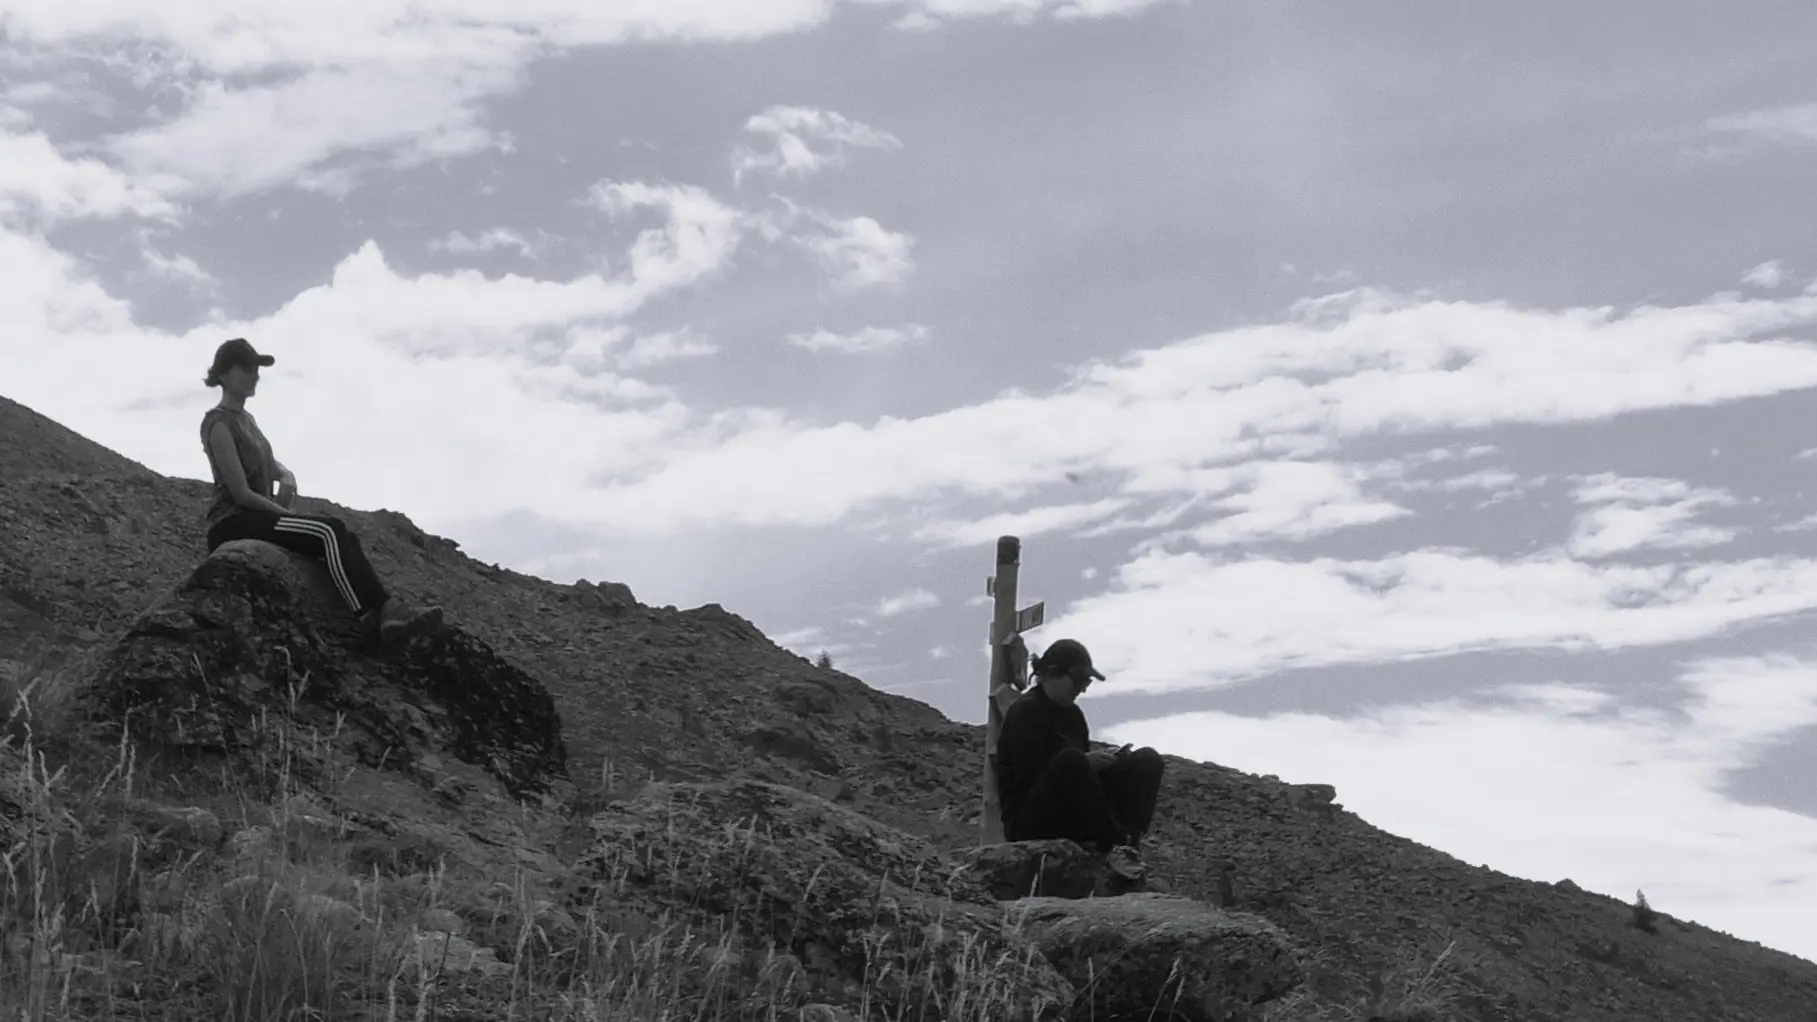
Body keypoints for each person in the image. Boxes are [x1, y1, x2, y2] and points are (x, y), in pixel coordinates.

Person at [198, 337, 442, 643]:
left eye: (256, 369)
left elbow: (268, 463)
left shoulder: (247, 421)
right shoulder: (218, 423)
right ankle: (366, 618)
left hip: (255, 517)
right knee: (329, 531)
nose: (255, 375)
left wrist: (286, 474)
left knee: (346, 537)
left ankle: (389, 610)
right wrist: (284, 513)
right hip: (233, 522)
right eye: (246, 368)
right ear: (223, 374)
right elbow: (240, 493)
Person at [994, 638, 1166, 878]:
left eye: (1087, 682)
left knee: (1147, 760)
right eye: (1078, 680)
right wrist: (1082, 764)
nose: (1082, 689)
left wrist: (1105, 763)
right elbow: (1028, 777)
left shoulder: (1074, 716)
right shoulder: (1026, 711)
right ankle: (1113, 843)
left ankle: (1128, 843)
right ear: (1052, 672)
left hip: (1071, 810)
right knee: (1072, 760)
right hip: (1030, 819)